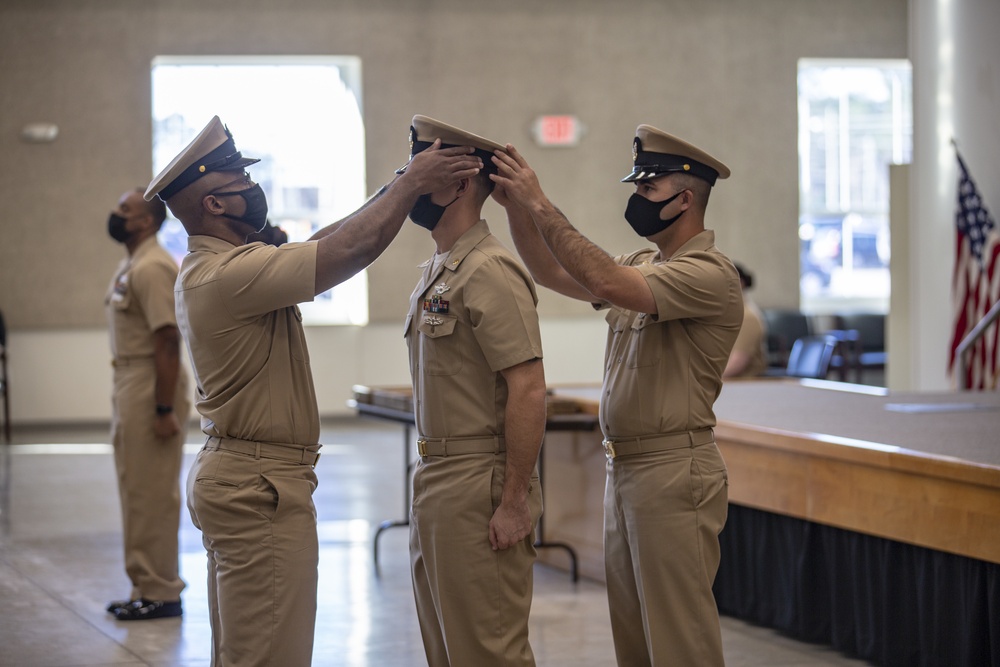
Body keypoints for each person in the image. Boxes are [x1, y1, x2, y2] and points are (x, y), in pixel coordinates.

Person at [143, 115, 481, 667]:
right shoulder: (227, 275)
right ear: (216, 206)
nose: (255, 190)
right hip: (260, 487)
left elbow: (324, 242)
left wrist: (400, 179)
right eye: (241, 183)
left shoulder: (223, 266)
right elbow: (352, 249)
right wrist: (412, 184)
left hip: (245, 476)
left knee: (245, 649)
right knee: (270, 654)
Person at [491, 125, 742, 666]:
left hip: (674, 469)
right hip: (627, 470)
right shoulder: (643, 265)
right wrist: (517, 208)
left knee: (680, 643)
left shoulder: (709, 274)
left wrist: (543, 202)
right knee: (634, 640)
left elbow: (603, 281)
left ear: (685, 198)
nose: (637, 199)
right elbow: (550, 270)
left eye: (648, 191)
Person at [401, 116, 546, 667]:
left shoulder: (488, 268)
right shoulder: (440, 268)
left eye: (424, 169)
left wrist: (513, 501)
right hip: (437, 478)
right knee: (447, 648)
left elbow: (528, 388)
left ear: (460, 183)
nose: (410, 179)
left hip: (476, 483)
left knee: (489, 649)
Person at [104, 188, 191, 621]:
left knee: (153, 494)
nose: (116, 215)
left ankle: (163, 592)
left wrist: (163, 409)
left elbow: (168, 339)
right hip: (131, 379)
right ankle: (144, 584)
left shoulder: (154, 266)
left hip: (150, 384)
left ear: (145, 221)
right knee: (137, 491)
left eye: (125, 209)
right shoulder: (134, 262)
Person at [723, 263, 768, 378]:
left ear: (740, 283)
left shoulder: (747, 317)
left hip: (744, 386)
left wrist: (702, 382)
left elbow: (737, 363)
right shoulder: (729, 313)